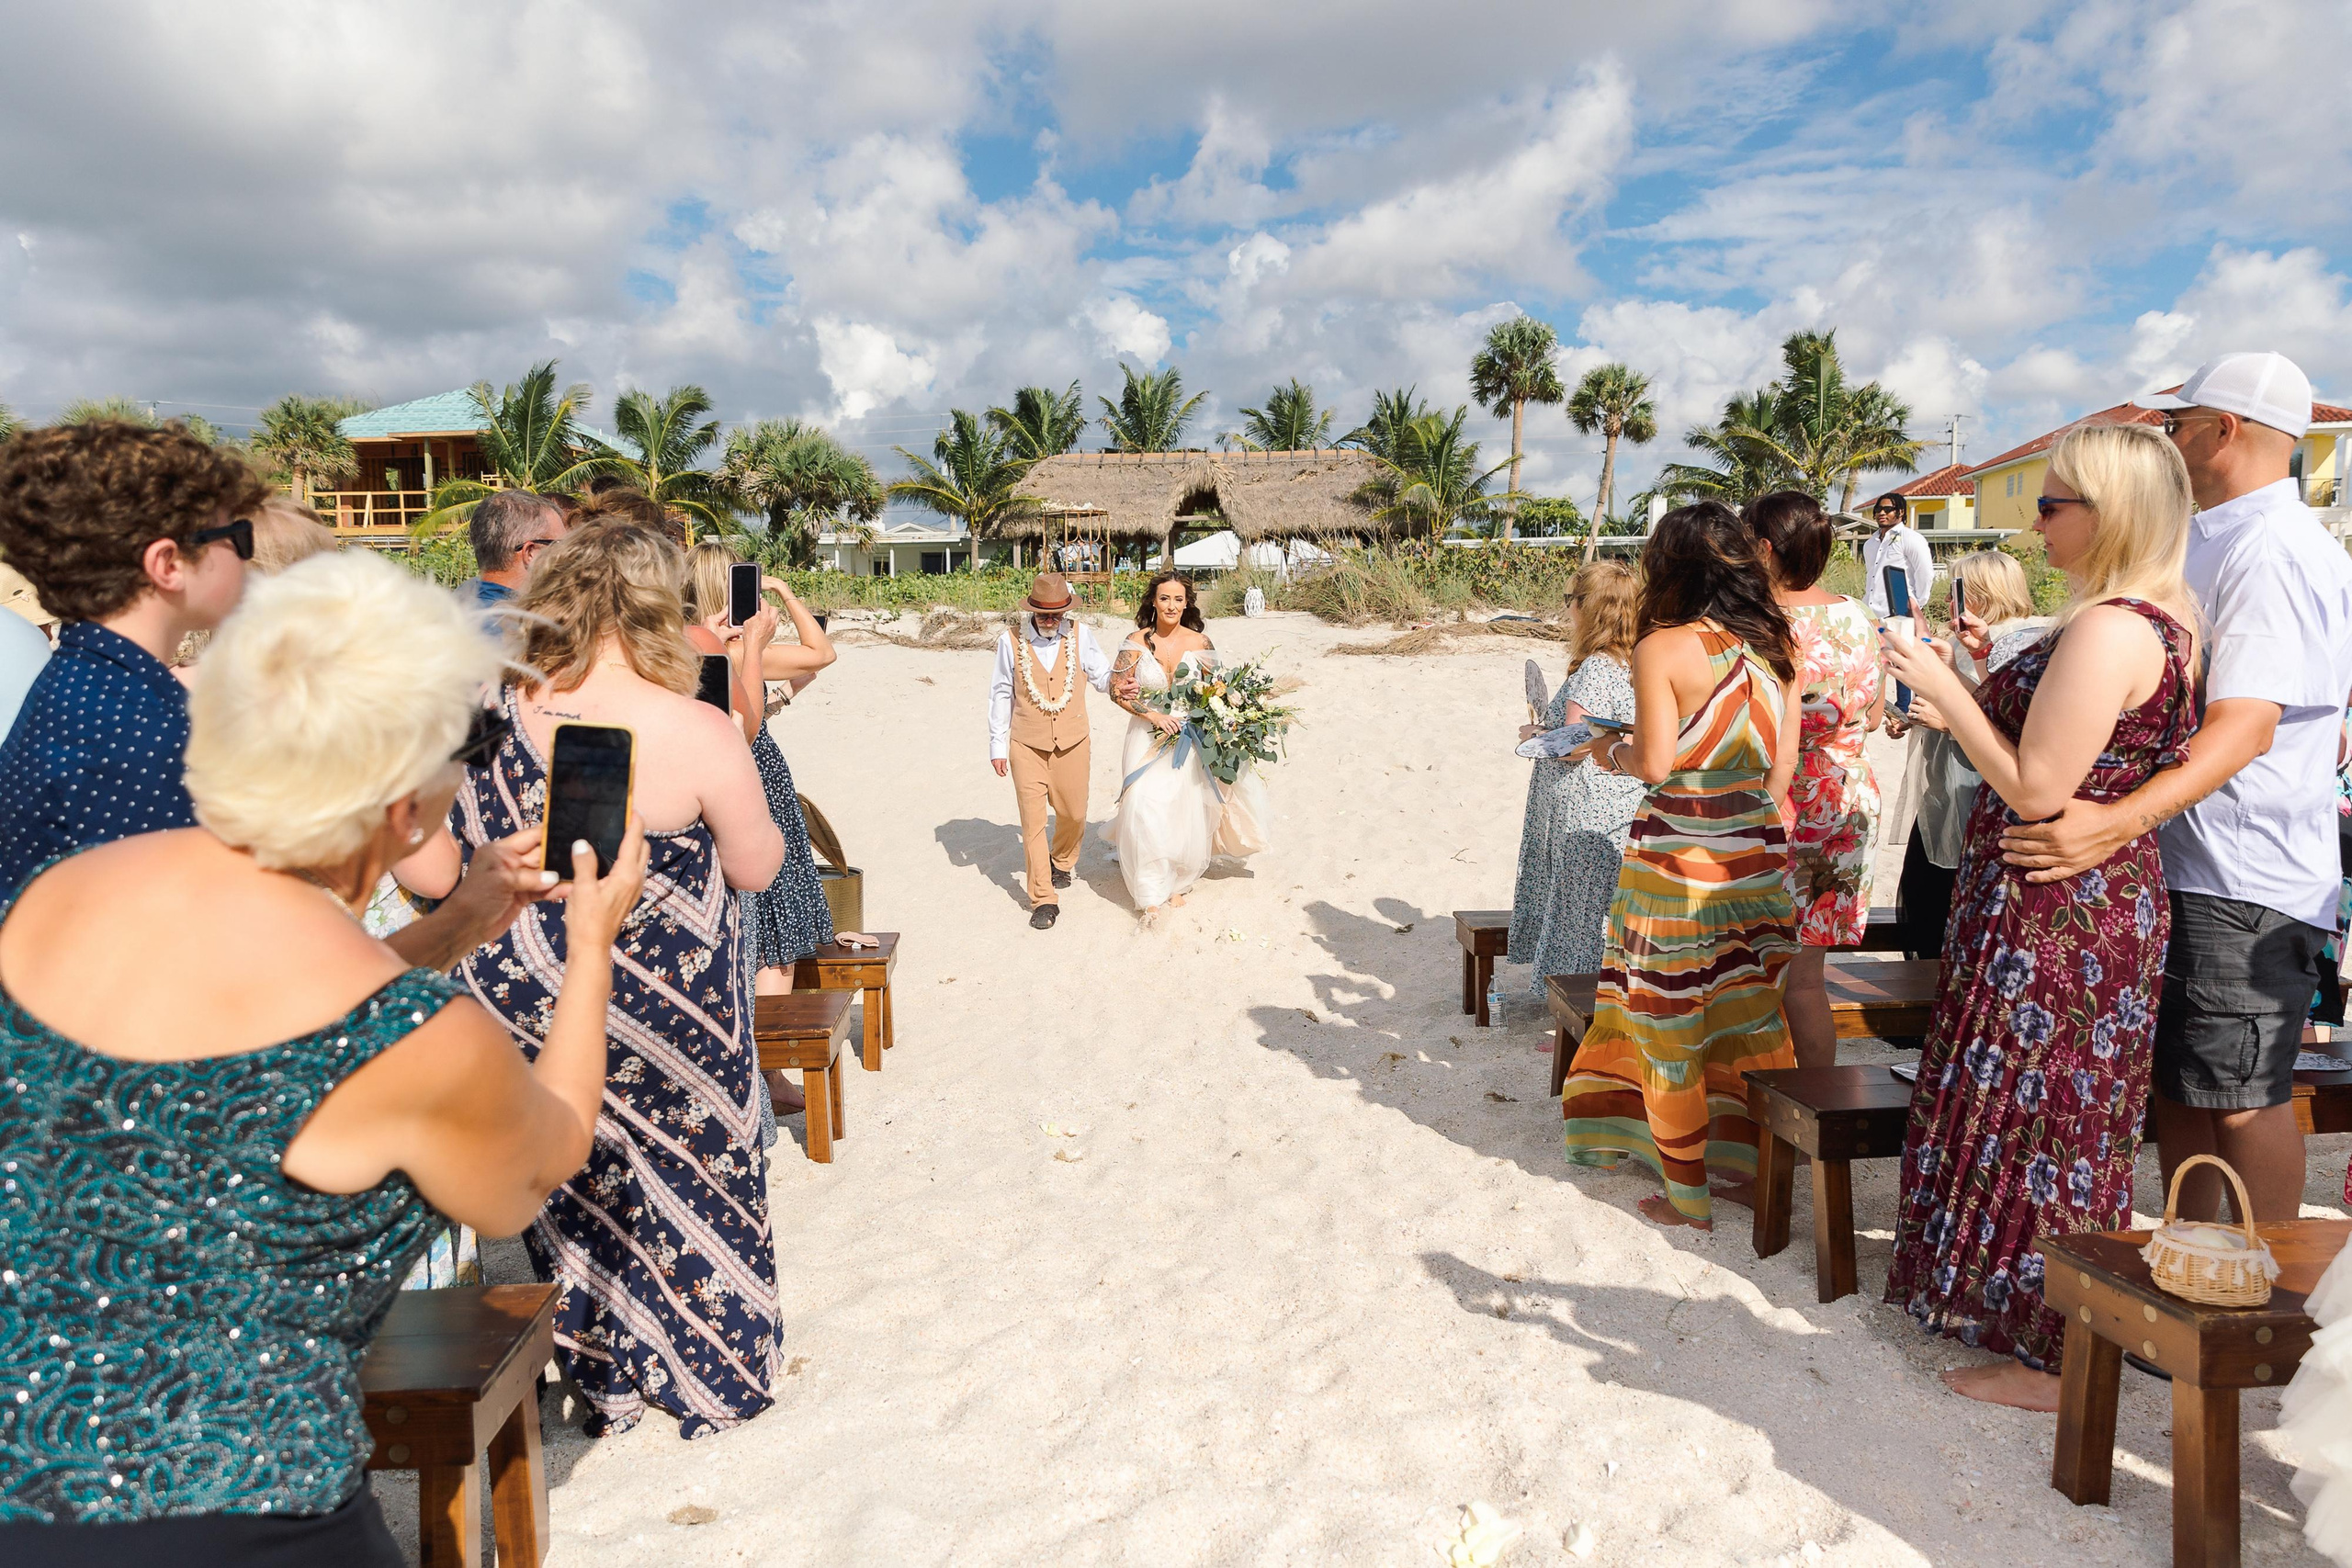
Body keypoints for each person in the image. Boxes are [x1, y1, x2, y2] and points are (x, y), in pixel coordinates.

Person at [0, 550, 642, 1563]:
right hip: (245, 1511)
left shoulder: (53, 898)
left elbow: (247, 1029)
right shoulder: (417, 1043)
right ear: (405, 809)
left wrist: (464, 917)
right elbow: (544, 1157)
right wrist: (594, 942)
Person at [396, 520, 787, 1439]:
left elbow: (426, 873)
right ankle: (713, 1371)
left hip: (520, 995)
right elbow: (756, 867)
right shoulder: (694, 724)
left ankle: (603, 1374)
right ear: (660, 606)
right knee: (700, 1170)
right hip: (670, 1006)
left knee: (567, 1180)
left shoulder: (483, 707)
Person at [1877, 422, 2200, 1410]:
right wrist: (1964, 699)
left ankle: (2051, 1355)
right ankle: (2010, 1312)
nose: (2034, 521)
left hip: (2058, 901)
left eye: (2052, 504)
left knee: (2046, 1118)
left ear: (2111, 515)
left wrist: (1945, 692)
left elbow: (2035, 786)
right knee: (2048, 1111)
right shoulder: (2161, 617)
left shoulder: (2110, 628)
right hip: (2071, 892)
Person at [2000, 353, 2352, 1224]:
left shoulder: (2271, 549)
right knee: (2192, 1090)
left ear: (2223, 432)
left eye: (2177, 425)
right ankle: (2197, 1275)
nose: (2167, 440)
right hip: (2200, 861)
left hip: (2241, 873)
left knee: (2239, 1094)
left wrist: (2113, 824)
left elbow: (2247, 726)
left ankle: (2260, 1304)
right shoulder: (2224, 535)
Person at [1559, 502, 1802, 1230]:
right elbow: (1778, 778)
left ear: (1668, 568)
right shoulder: (1776, 646)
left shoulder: (1661, 646)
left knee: (1668, 1016)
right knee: (1746, 1008)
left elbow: (1656, 764)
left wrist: (1605, 751)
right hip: (1754, 854)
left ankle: (1685, 1189)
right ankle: (1747, 1162)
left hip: (1676, 861)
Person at [684, 541, 839, 1114]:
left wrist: (781, 599)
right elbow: (817, 661)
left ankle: (766, 1073)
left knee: (772, 928)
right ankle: (766, 1076)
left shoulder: (705, 647)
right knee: (774, 929)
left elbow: (821, 656)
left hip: (752, 782)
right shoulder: (713, 653)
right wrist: (772, 610)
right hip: (753, 786)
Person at [1752, 491, 1881, 1068]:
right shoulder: (1857, 615)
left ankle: (1772, 1116)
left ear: (1764, 548)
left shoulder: (1763, 626)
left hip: (1788, 797)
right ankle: (1815, 1111)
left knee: (1766, 976)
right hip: (1850, 794)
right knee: (1809, 977)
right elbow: (1874, 714)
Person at [1885, 552, 2048, 962]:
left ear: (1980, 591)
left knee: (1941, 909)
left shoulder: (2022, 642)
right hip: (1947, 789)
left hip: (1975, 794)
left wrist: (1948, 722)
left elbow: (2010, 725)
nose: (1949, 597)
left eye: (1957, 587)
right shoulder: (1976, 638)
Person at [1508, 560, 1645, 994]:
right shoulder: (1637, 662)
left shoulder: (1596, 668)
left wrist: (1535, 734)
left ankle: (1574, 1013)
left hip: (1585, 802)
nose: (1567, 611)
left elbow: (1574, 745)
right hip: (1624, 799)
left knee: (1576, 916)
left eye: (1570, 601)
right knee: (1606, 910)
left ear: (1588, 608)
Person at [1105, 571, 1270, 917]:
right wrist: (1151, 714)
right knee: (1143, 805)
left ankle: (1177, 881)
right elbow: (1115, 690)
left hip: (1188, 736)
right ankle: (1150, 889)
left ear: (1187, 603)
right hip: (1147, 735)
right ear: (1153, 600)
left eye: (1178, 599)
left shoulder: (1201, 643)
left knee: (1182, 808)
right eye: (1165, 598)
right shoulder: (1135, 641)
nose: (1171, 606)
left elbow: (1219, 690)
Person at [988, 572, 1116, 931]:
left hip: (1073, 740)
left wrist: (1121, 682)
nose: (1050, 621)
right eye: (1044, 614)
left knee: (1074, 813)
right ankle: (1043, 899)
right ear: (1031, 610)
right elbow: (1000, 692)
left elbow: (1102, 675)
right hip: (1025, 743)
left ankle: (1061, 860)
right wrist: (998, 745)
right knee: (1032, 823)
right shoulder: (1009, 641)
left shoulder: (1081, 635)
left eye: (1056, 615)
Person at [457, 489, 569, 610]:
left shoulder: (456, 611)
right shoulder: (518, 624)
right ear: (530, 553)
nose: (569, 556)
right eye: (560, 545)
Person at [1861, 490, 1934, 620]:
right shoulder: (1870, 544)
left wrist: (1916, 605)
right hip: (1870, 614)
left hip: (1900, 614)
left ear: (1901, 512)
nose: (1881, 513)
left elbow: (1925, 573)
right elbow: (1872, 577)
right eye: (1878, 509)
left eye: (1888, 509)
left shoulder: (1911, 538)